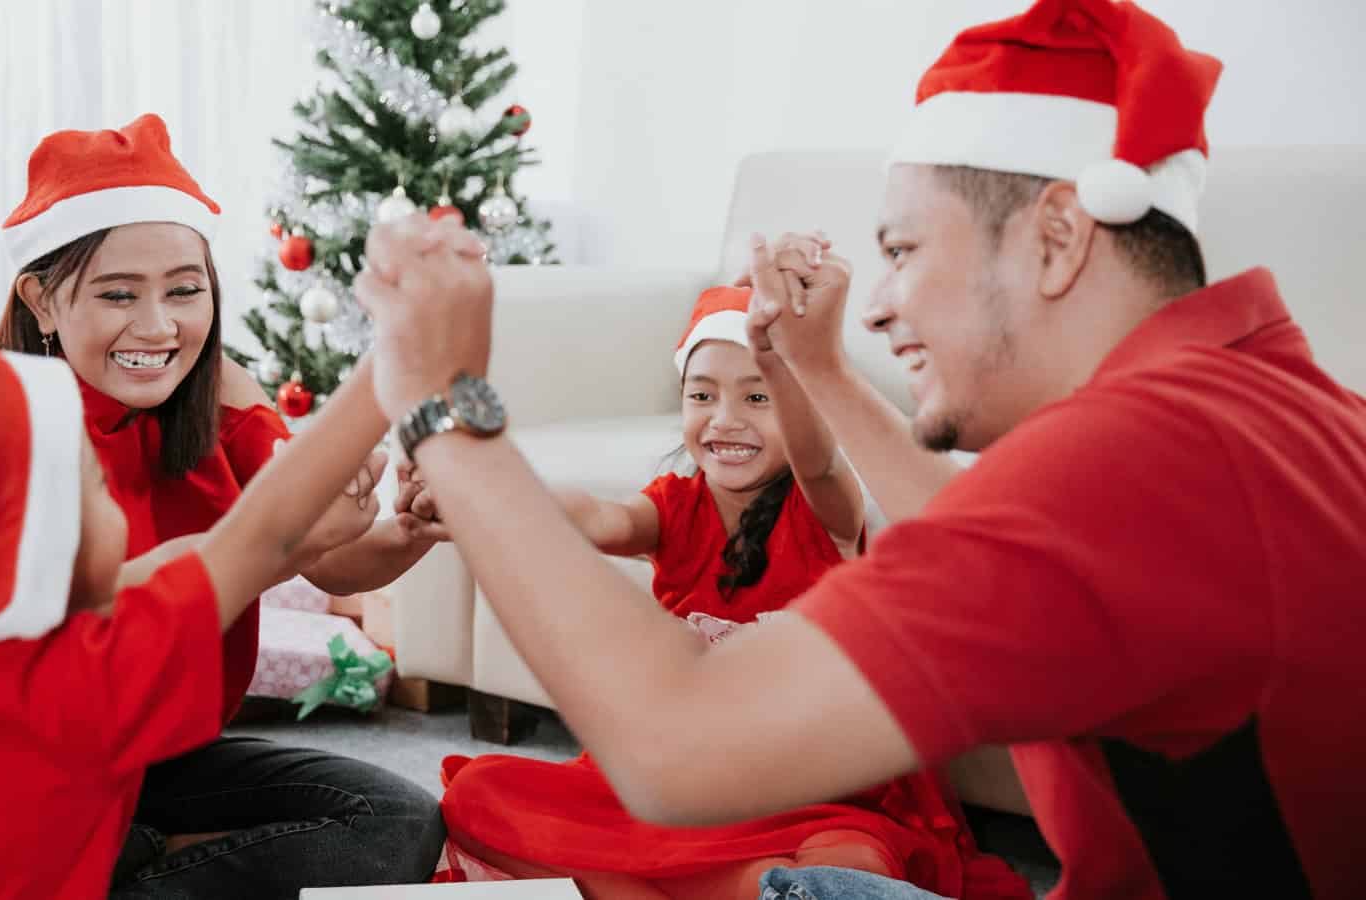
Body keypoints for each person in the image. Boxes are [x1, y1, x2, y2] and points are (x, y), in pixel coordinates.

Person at [348, 1, 1366, 898]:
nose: (878, 307)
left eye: (903, 251)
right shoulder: (1270, 397)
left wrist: (445, 413)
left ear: (1057, 239)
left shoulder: (1126, 460)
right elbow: (988, 542)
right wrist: (816, 369)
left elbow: (682, 745)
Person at [415, 287, 1027, 898]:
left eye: (757, 397)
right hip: (688, 788)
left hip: (814, 797)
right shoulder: (674, 507)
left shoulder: (826, 508)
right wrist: (488, 493)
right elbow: (598, 518)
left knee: (843, 865)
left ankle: (690, 886)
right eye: (701, 395)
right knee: (479, 794)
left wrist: (794, 360)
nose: (725, 419)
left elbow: (817, 463)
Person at [0, 114, 444, 896]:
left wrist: (407, 531)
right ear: (42, 300)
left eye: (185, 290)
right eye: (118, 293)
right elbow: (115, 608)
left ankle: (139, 856)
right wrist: (285, 542)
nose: (158, 326)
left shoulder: (223, 389)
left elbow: (332, 553)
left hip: (162, 758)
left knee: (397, 820)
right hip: (30, 766)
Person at [0, 346, 389, 899]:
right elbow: (262, 539)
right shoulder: (82, 679)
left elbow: (187, 560)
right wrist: (397, 362)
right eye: (94, 481)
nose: (114, 493)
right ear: (39, 539)